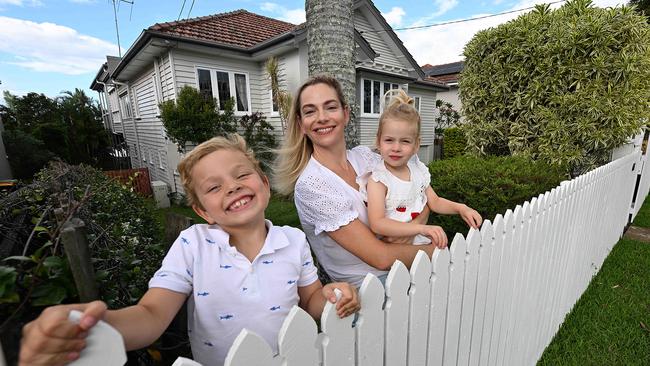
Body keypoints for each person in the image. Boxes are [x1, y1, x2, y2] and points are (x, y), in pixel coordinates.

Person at [19, 134, 359, 366]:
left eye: (242, 174)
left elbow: (311, 299)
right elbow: (151, 316)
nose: (233, 186)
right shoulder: (193, 245)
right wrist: (95, 327)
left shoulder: (293, 240)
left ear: (265, 186)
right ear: (203, 211)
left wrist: (331, 294)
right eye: (214, 187)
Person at [274, 75, 481, 288]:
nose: (322, 117)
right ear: (301, 124)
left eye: (330, 107)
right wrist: (442, 252)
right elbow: (380, 257)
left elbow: (421, 196)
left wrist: (413, 227)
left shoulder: (366, 158)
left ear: (345, 114)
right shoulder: (313, 185)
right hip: (370, 288)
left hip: (407, 269)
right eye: (310, 111)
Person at [362, 89, 482, 249]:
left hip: (420, 244)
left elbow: (435, 202)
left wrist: (461, 208)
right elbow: (377, 224)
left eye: (405, 141)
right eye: (389, 140)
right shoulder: (379, 179)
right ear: (379, 141)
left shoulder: (417, 170)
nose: (396, 148)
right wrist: (421, 228)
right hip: (393, 248)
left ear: (416, 145)